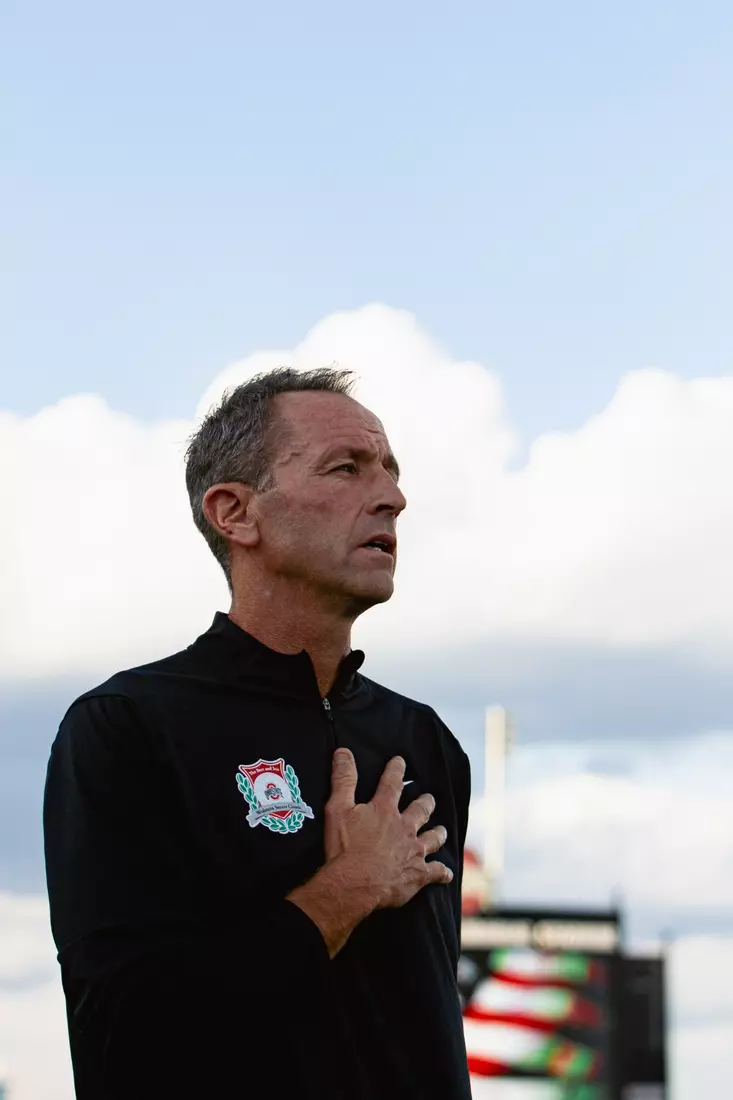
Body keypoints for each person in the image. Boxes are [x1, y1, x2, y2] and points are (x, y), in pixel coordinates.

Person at [44, 367, 472, 1100]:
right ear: (235, 513)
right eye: (347, 468)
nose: (393, 497)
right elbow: (124, 1038)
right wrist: (345, 889)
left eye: (392, 473)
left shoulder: (423, 739)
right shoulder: (129, 727)